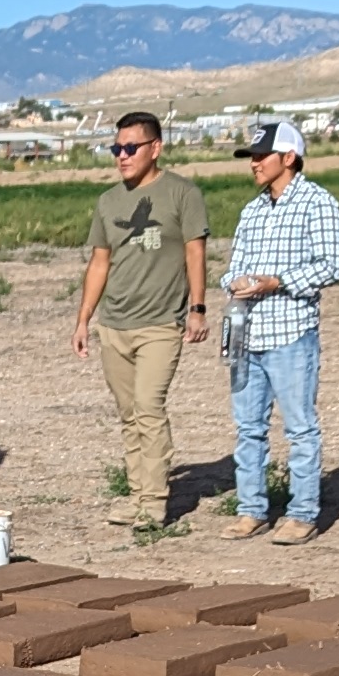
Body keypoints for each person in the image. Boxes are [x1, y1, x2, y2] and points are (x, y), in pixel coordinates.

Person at [69, 110, 211, 536]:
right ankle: (136, 495)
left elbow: (195, 252)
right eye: (117, 148)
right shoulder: (109, 201)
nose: (122, 156)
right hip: (114, 324)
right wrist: (83, 320)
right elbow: (99, 263)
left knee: (150, 408)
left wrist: (198, 308)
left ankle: (154, 502)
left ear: (156, 148)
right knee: (129, 414)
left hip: (161, 324)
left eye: (131, 148)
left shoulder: (182, 194)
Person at [219, 118, 339, 545]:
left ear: (288, 158)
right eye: (252, 157)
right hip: (247, 333)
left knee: (300, 428)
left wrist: (276, 282)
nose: (254, 164)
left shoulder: (318, 203)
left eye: (261, 156)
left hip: (291, 332)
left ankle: (303, 512)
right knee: (248, 428)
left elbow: (330, 266)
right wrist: (235, 282)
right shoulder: (252, 210)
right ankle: (252, 509)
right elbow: (234, 265)